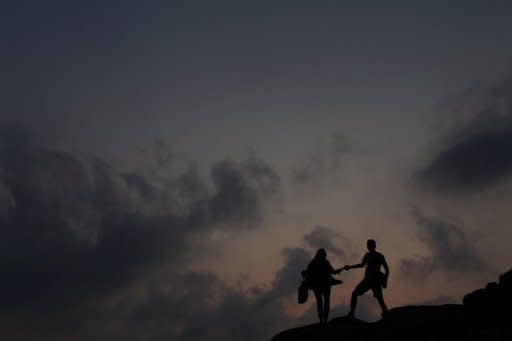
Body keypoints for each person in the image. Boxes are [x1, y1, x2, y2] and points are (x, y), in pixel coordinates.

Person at [343, 239, 389, 319]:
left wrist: (385, 281)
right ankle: (352, 313)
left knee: (380, 299)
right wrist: (350, 267)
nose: (369, 246)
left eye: (371, 245)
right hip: (367, 279)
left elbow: (387, 269)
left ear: (374, 246)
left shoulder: (379, 256)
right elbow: (361, 265)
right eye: (368, 245)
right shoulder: (367, 255)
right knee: (354, 293)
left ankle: (386, 314)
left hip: (375, 281)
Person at [304, 248, 343, 324]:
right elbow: (333, 272)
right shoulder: (325, 262)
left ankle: (322, 320)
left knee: (320, 302)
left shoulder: (313, 263)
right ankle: (324, 320)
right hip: (325, 285)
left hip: (317, 285)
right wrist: (341, 269)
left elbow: (307, 273)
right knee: (326, 302)